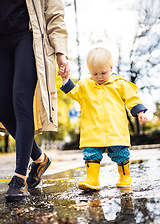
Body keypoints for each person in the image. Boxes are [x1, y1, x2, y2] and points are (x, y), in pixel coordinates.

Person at [0, 0, 70, 202]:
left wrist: (61, 52)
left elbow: (54, 12)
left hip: (28, 36)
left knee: (21, 101)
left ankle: (19, 178)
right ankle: (40, 159)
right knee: (3, 110)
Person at [60, 47, 147, 191]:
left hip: (115, 130)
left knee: (121, 153)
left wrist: (140, 112)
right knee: (91, 154)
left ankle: (125, 177)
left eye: (103, 72)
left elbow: (132, 98)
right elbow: (72, 92)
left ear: (111, 68)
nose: (99, 76)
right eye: (95, 73)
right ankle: (92, 179)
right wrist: (65, 79)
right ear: (89, 71)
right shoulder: (85, 86)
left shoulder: (119, 84)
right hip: (93, 131)